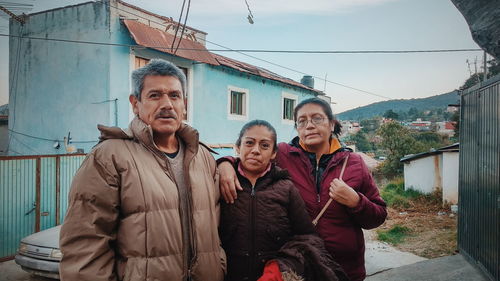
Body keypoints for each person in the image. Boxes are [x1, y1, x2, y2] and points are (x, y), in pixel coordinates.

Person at [59, 59, 225, 281]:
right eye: (155, 95)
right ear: (135, 103)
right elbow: (85, 248)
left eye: (174, 96)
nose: (167, 104)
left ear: (184, 104)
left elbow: (216, 230)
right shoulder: (109, 157)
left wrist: (219, 265)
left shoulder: (203, 157)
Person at [218, 98, 387, 281]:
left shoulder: (354, 163)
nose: (309, 126)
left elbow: (378, 215)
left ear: (331, 124)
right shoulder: (283, 154)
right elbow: (252, 158)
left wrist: (356, 201)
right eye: (302, 121)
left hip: (344, 267)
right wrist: (225, 164)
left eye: (317, 119)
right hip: (298, 266)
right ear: (297, 128)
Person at [220, 120, 348, 281]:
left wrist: (281, 269)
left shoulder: (286, 188)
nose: (255, 150)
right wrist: (223, 163)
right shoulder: (221, 182)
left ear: (274, 154)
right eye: (249, 143)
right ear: (238, 147)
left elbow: (308, 237)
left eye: (264, 145)